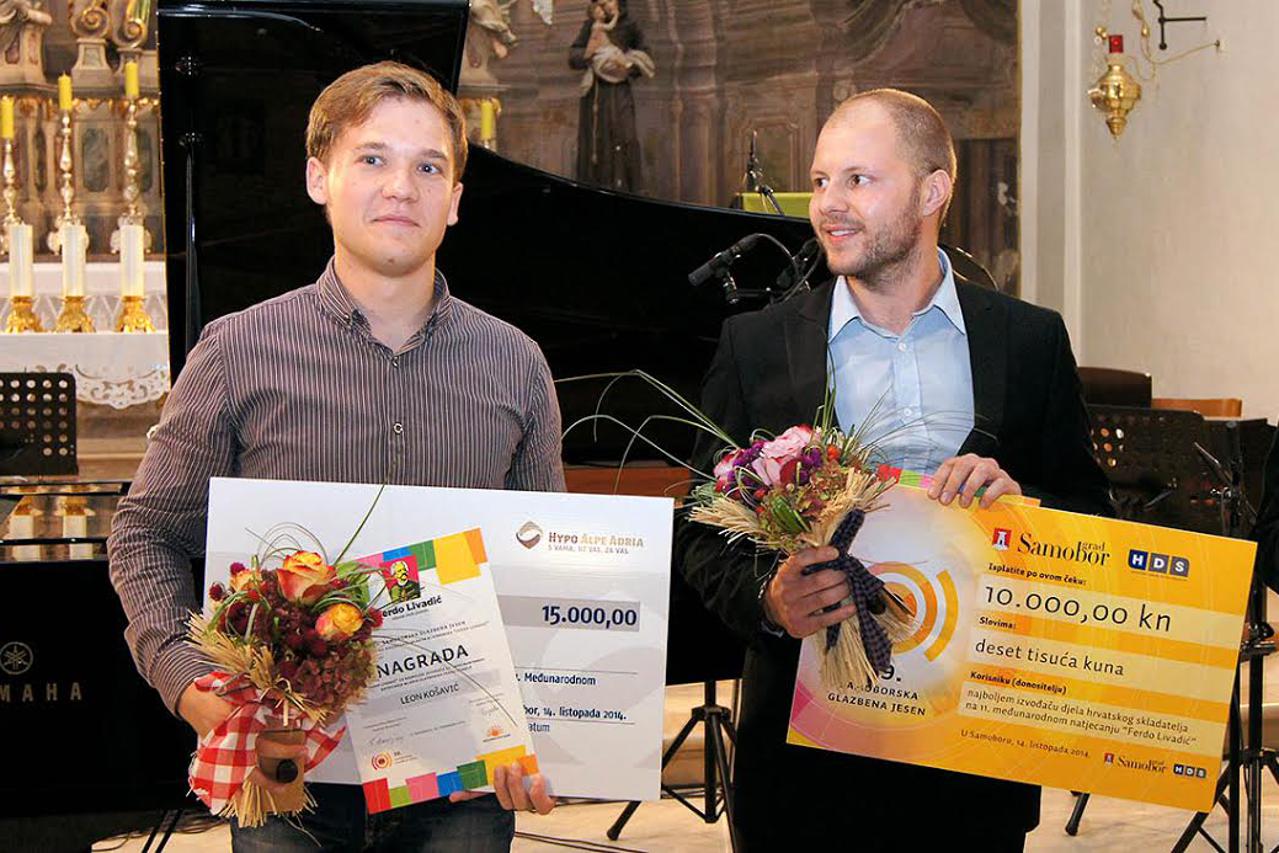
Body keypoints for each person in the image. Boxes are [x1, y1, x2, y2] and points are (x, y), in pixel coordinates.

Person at [108, 61, 563, 851]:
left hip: (460, 771)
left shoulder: (516, 363)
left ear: (455, 199)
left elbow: (543, 571)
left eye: (429, 166)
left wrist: (554, 725)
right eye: (373, 158)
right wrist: (190, 686)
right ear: (319, 176)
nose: (401, 186)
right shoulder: (237, 350)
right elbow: (145, 533)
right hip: (289, 771)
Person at [675, 89, 1115, 852]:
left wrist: (1022, 503)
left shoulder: (1029, 340)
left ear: (933, 189)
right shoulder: (756, 344)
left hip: (975, 753)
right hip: (801, 764)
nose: (828, 205)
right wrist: (770, 598)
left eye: (858, 179)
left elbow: (1089, 516)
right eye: (818, 181)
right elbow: (699, 531)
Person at [568, 0, 653, 192]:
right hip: (596, 96)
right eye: (601, 2)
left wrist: (626, 64)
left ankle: (628, 191)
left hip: (619, 92)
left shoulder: (630, 24)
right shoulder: (590, 26)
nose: (606, 5)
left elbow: (646, 55)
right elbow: (573, 56)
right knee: (596, 143)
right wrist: (589, 52)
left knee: (626, 138)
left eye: (609, 1)